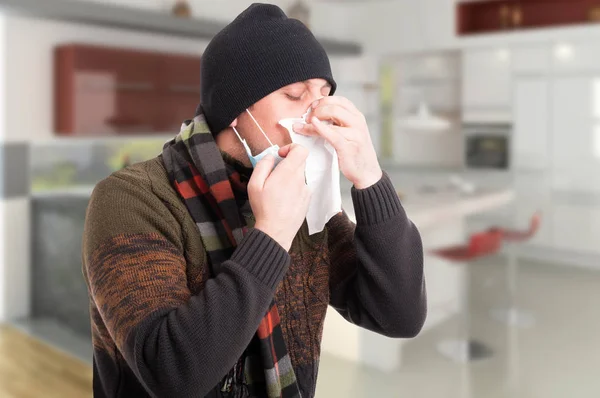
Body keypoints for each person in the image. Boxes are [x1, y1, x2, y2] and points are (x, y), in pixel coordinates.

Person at [82, 3, 426, 398]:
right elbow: (171, 374)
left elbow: (400, 316)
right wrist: (271, 235)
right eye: (295, 94)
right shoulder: (130, 198)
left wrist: (370, 179)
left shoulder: (306, 201)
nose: (317, 114)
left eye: (325, 95)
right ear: (235, 111)